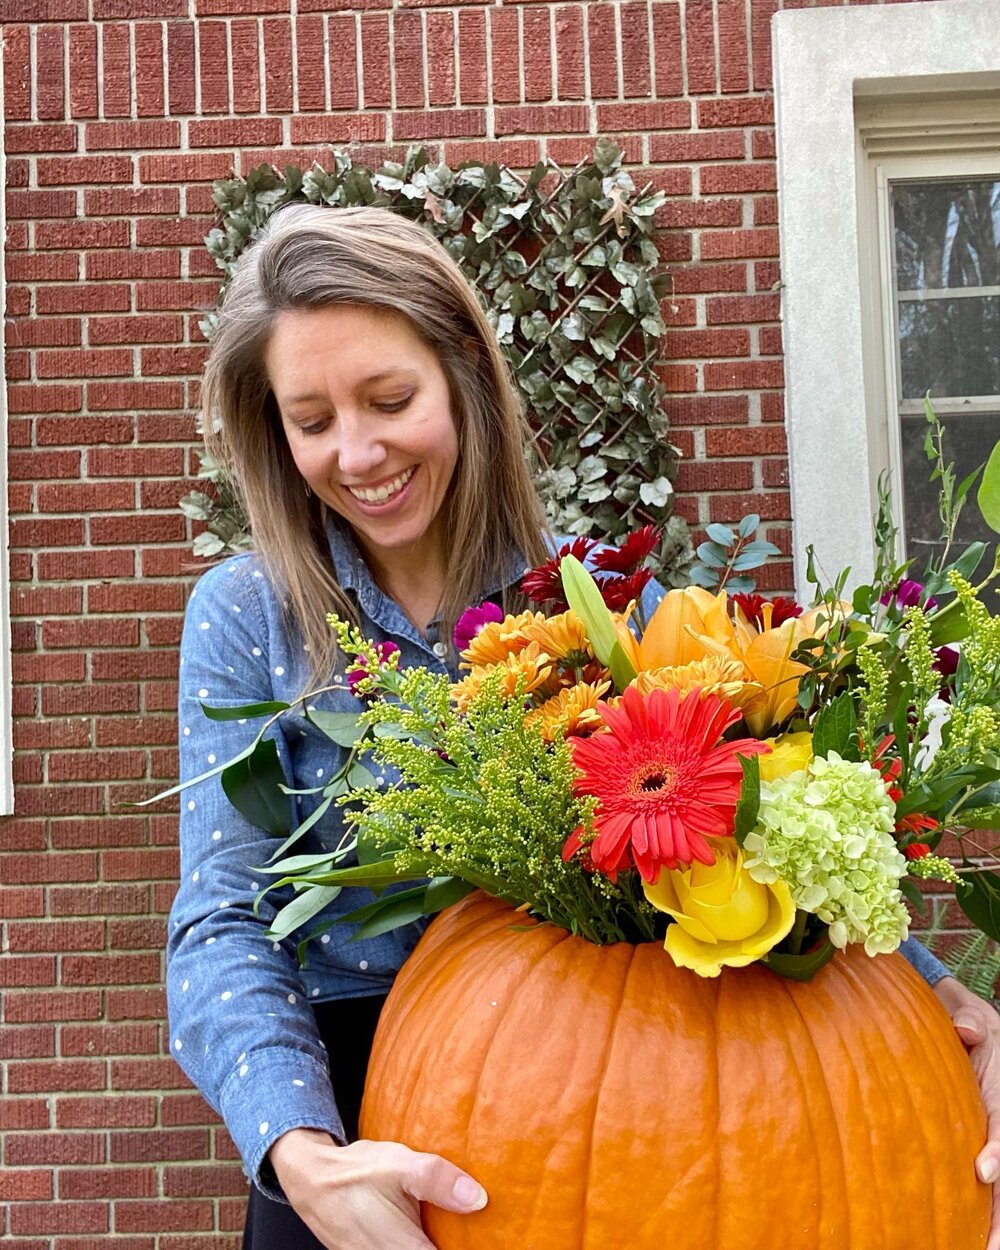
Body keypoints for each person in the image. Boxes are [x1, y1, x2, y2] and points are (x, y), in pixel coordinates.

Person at [166, 202, 1000, 1250]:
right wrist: (301, 1151)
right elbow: (221, 920)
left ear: (464, 370)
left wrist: (945, 1009)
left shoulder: (595, 601)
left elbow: (756, 826)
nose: (359, 450)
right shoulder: (249, 615)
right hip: (346, 1127)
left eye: (389, 397)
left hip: (584, 1102)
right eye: (313, 419)